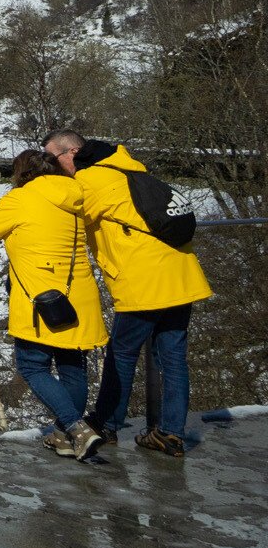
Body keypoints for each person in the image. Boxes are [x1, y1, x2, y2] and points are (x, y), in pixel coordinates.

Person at [49, 132, 212, 457]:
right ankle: (170, 434)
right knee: (173, 358)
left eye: (53, 159)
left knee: (122, 353)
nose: (52, 167)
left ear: (73, 152)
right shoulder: (130, 169)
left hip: (146, 282)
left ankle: (106, 424)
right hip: (180, 273)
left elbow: (61, 207)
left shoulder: (94, 180)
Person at [0, 149, 109, 459]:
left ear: (21, 173)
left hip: (41, 297)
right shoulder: (76, 194)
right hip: (79, 293)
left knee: (33, 368)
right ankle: (64, 437)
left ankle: (78, 428)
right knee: (73, 368)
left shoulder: (21, 198)